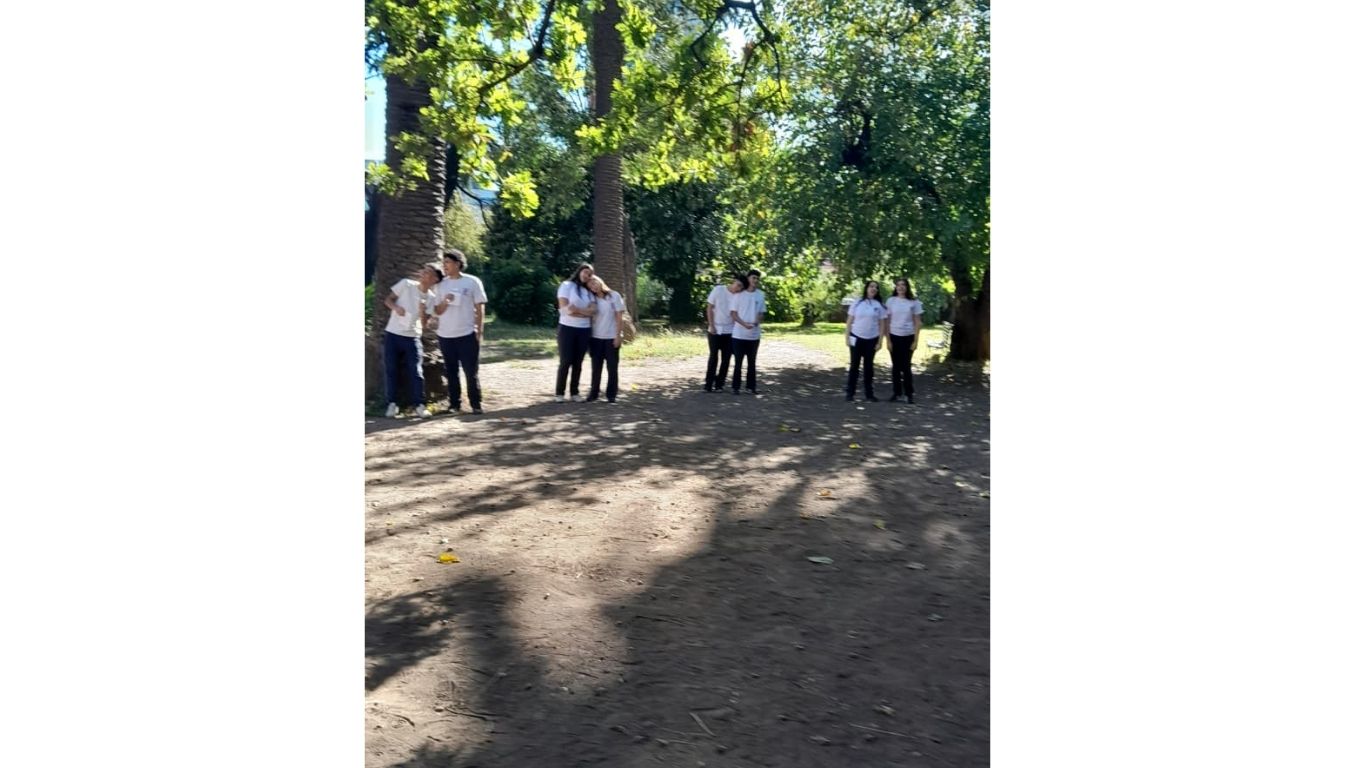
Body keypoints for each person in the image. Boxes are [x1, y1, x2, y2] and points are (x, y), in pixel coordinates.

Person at [381, 263, 441, 418]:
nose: (423, 273)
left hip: (412, 337)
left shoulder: (431, 298)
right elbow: (388, 300)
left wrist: (422, 311)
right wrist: (396, 308)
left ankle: (419, 405)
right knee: (391, 369)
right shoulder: (406, 284)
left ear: (434, 279)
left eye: (428, 272)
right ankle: (392, 404)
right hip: (392, 334)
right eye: (423, 270)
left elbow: (424, 324)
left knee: (416, 371)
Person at [433, 249, 488, 414]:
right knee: (451, 372)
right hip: (445, 335)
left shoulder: (472, 282)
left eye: (447, 262)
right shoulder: (441, 285)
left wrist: (479, 331)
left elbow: (480, 307)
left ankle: (476, 404)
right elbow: (437, 311)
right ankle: (454, 404)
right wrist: (445, 301)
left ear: (458, 264)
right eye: (443, 263)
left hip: (467, 334)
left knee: (471, 372)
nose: (444, 266)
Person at [555, 263, 597, 402]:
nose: (587, 276)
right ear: (579, 271)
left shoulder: (589, 292)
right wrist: (584, 313)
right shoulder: (567, 286)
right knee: (566, 361)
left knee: (578, 362)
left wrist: (577, 310)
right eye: (585, 272)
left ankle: (574, 392)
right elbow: (564, 310)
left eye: (590, 274)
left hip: (584, 330)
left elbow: (593, 311)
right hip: (567, 328)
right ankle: (559, 393)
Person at [845, 280, 889, 402]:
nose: (873, 289)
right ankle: (850, 393)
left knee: (868, 367)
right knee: (854, 366)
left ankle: (869, 394)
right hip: (856, 338)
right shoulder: (857, 303)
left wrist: (880, 341)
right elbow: (849, 321)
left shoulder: (879, 305)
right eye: (871, 286)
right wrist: (847, 337)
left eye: (876, 287)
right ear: (866, 288)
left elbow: (882, 325)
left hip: (872, 340)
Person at [585, 275, 626, 403]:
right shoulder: (591, 299)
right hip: (595, 338)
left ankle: (611, 394)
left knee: (612, 368)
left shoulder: (614, 296)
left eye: (594, 283)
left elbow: (619, 317)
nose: (593, 286)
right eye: (590, 286)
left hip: (611, 337)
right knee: (596, 368)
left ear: (600, 281)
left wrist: (618, 335)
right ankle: (594, 393)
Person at [704, 275, 745, 392]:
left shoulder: (738, 296)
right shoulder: (718, 290)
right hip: (715, 329)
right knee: (713, 357)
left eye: (741, 288)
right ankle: (708, 384)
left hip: (730, 331)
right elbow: (709, 308)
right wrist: (711, 325)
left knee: (726, 358)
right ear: (734, 281)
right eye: (738, 285)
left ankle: (719, 384)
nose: (738, 289)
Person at [886, 277, 924, 403]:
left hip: (908, 337)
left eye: (903, 285)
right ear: (896, 287)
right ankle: (897, 393)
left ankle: (909, 394)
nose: (901, 287)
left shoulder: (914, 302)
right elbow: (887, 321)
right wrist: (888, 340)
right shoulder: (891, 301)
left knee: (906, 366)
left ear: (907, 287)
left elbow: (918, 323)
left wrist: (915, 341)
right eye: (898, 285)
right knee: (896, 366)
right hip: (894, 336)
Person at [728, 269, 766, 394]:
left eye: (757, 278)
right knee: (738, 362)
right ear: (748, 278)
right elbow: (733, 314)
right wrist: (744, 324)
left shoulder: (760, 294)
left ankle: (751, 387)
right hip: (739, 335)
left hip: (754, 335)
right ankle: (736, 387)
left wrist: (757, 321)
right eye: (753, 278)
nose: (756, 280)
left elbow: (761, 313)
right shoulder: (739, 294)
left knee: (752, 362)